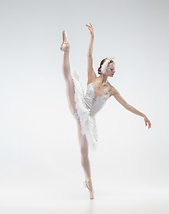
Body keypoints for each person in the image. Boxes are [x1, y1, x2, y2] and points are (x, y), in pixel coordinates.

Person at [60, 23, 151, 199]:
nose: (114, 71)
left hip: (87, 120)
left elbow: (127, 106)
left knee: (83, 151)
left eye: (114, 69)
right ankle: (66, 51)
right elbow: (89, 55)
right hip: (79, 106)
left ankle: (89, 182)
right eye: (112, 68)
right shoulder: (91, 77)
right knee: (69, 81)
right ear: (104, 69)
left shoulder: (112, 91)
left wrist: (143, 115)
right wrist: (92, 37)